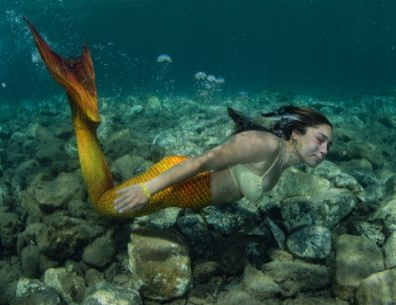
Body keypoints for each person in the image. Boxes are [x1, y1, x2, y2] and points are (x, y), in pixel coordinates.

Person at [25, 19, 333, 218]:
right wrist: (148, 189)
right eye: (320, 139)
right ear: (296, 132)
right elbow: (202, 161)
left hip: (188, 191)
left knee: (107, 197)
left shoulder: (281, 156)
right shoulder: (265, 145)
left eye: (328, 146)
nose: (324, 150)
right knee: (102, 205)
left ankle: (83, 105)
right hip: (179, 186)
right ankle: (82, 116)